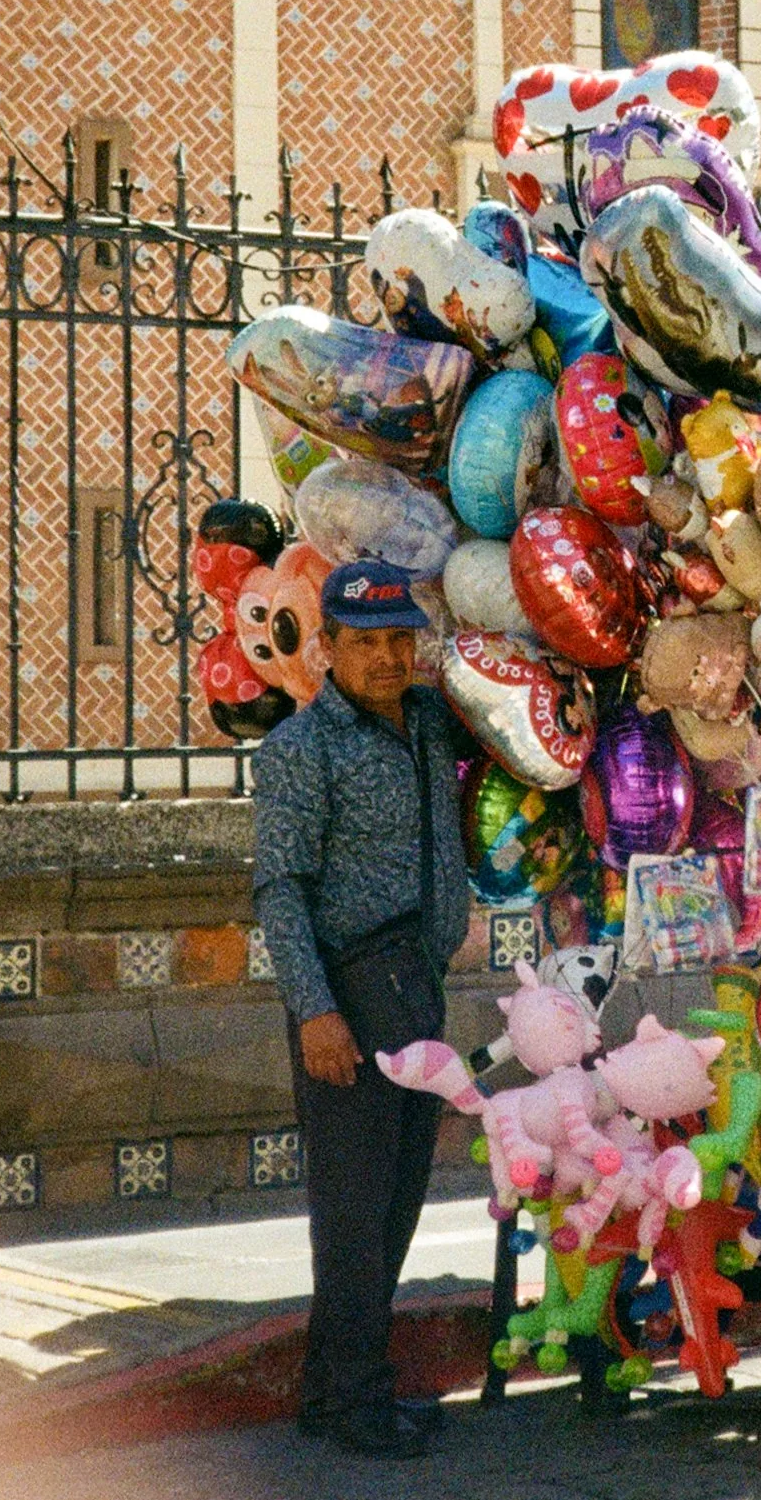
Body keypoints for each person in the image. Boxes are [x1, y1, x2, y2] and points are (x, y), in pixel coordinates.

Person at [252, 558, 468, 1460]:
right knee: (354, 1204)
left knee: (397, 1198)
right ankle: (358, 1398)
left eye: (398, 640)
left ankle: (331, 1390)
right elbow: (280, 890)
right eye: (365, 642)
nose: (387, 659)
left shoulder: (424, 723)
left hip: (414, 980)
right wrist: (314, 1011)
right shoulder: (302, 751)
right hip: (352, 985)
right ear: (329, 647)